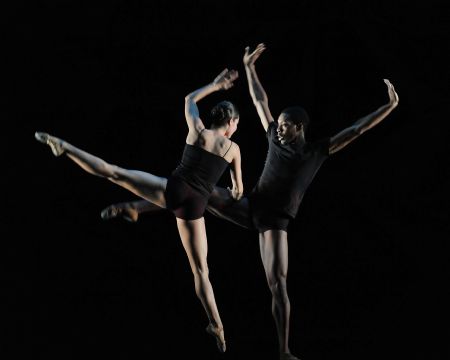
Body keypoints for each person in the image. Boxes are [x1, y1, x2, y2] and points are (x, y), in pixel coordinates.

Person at [100, 43, 399, 360]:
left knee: (278, 284)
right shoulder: (273, 134)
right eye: (278, 124)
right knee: (195, 190)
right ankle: (136, 208)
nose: (279, 128)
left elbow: (355, 130)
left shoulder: (317, 151)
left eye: (285, 125)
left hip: (275, 222)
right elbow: (259, 100)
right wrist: (249, 67)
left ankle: (284, 350)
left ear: (299, 128)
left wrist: (388, 107)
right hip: (250, 205)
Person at [35, 68, 244, 353]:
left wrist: (215, 85)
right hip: (195, 205)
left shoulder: (197, 131)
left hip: (172, 189)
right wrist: (234, 190)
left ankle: (66, 148)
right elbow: (238, 189)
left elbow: (189, 99)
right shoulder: (233, 149)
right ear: (231, 122)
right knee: (201, 271)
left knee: (114, 172)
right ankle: (217, 326)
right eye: (235, 124)